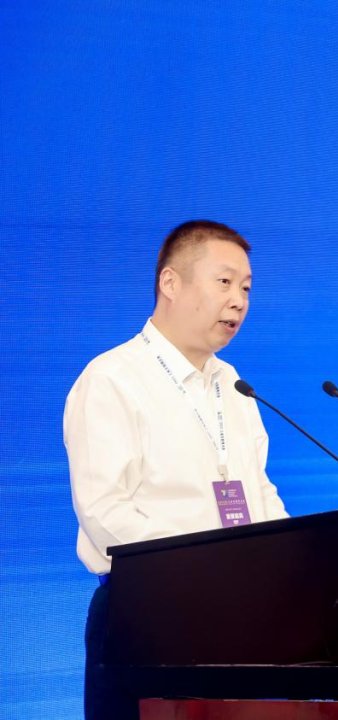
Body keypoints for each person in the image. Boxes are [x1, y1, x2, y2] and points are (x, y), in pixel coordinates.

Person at [63, 220, 290, 720]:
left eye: (246, 288)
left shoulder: (233, 385)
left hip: (242, 617)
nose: (238, 301)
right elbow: (105, 513)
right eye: (224, 282)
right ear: (170, 282)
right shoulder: (112, 379)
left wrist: (291, 560)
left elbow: (260, 491)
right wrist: (204, 571)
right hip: (147, 616)